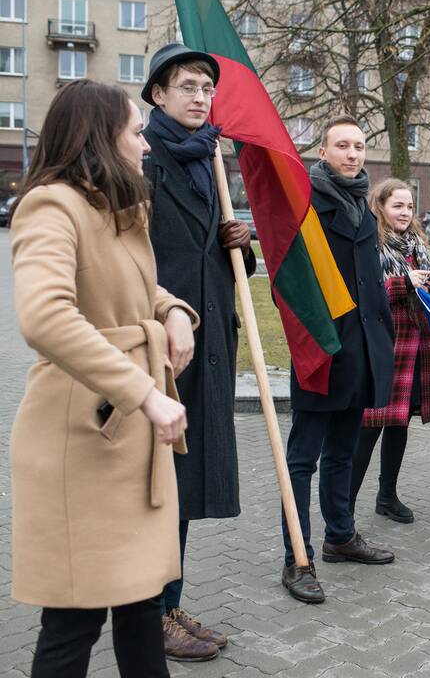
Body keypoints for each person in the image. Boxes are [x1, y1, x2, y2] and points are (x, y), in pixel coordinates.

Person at [10, 79, 198, 677]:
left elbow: (132, 289)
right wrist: (143, 391)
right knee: (73, 619)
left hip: (125, 437)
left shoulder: (112, 208)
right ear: (101, 135)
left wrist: (172, 312)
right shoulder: (52, 205)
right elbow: (45, 314)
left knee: (140, 600)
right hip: (85, 437)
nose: (146, 145)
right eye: (137, 132)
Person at [141, 42, 255, 661]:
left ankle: (168, 601)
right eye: (187, 86)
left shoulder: (208, 157)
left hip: (208, 342)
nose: (199, 97)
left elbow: (209, 253)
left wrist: (241, 242)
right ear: (158, 94)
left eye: (206, 88)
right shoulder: (142, 160)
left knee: (182, 484)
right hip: (160, 346)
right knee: (154, 483)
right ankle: (147, 615)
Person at [281, 116, 395, 604]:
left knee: (344, 454)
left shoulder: (365, 209)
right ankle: (296, 558)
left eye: (359, 146)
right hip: (324, 352)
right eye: (342, 146)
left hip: (363, 353)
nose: (352, 154)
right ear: (323, 152)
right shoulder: (305, 204)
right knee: (302, 460)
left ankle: (340, 536)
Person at [349, 179, 430, 525]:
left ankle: (387, 496)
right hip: (384, 345)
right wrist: (407, 283)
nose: (404, 213)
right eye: (397, 206)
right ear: (381, 207)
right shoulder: (369, 243)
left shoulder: (417, 244)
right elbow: (368, 296)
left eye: (408, 207)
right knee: (370, 426)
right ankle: (344, 506)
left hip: (415, 344)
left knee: (400, 422)